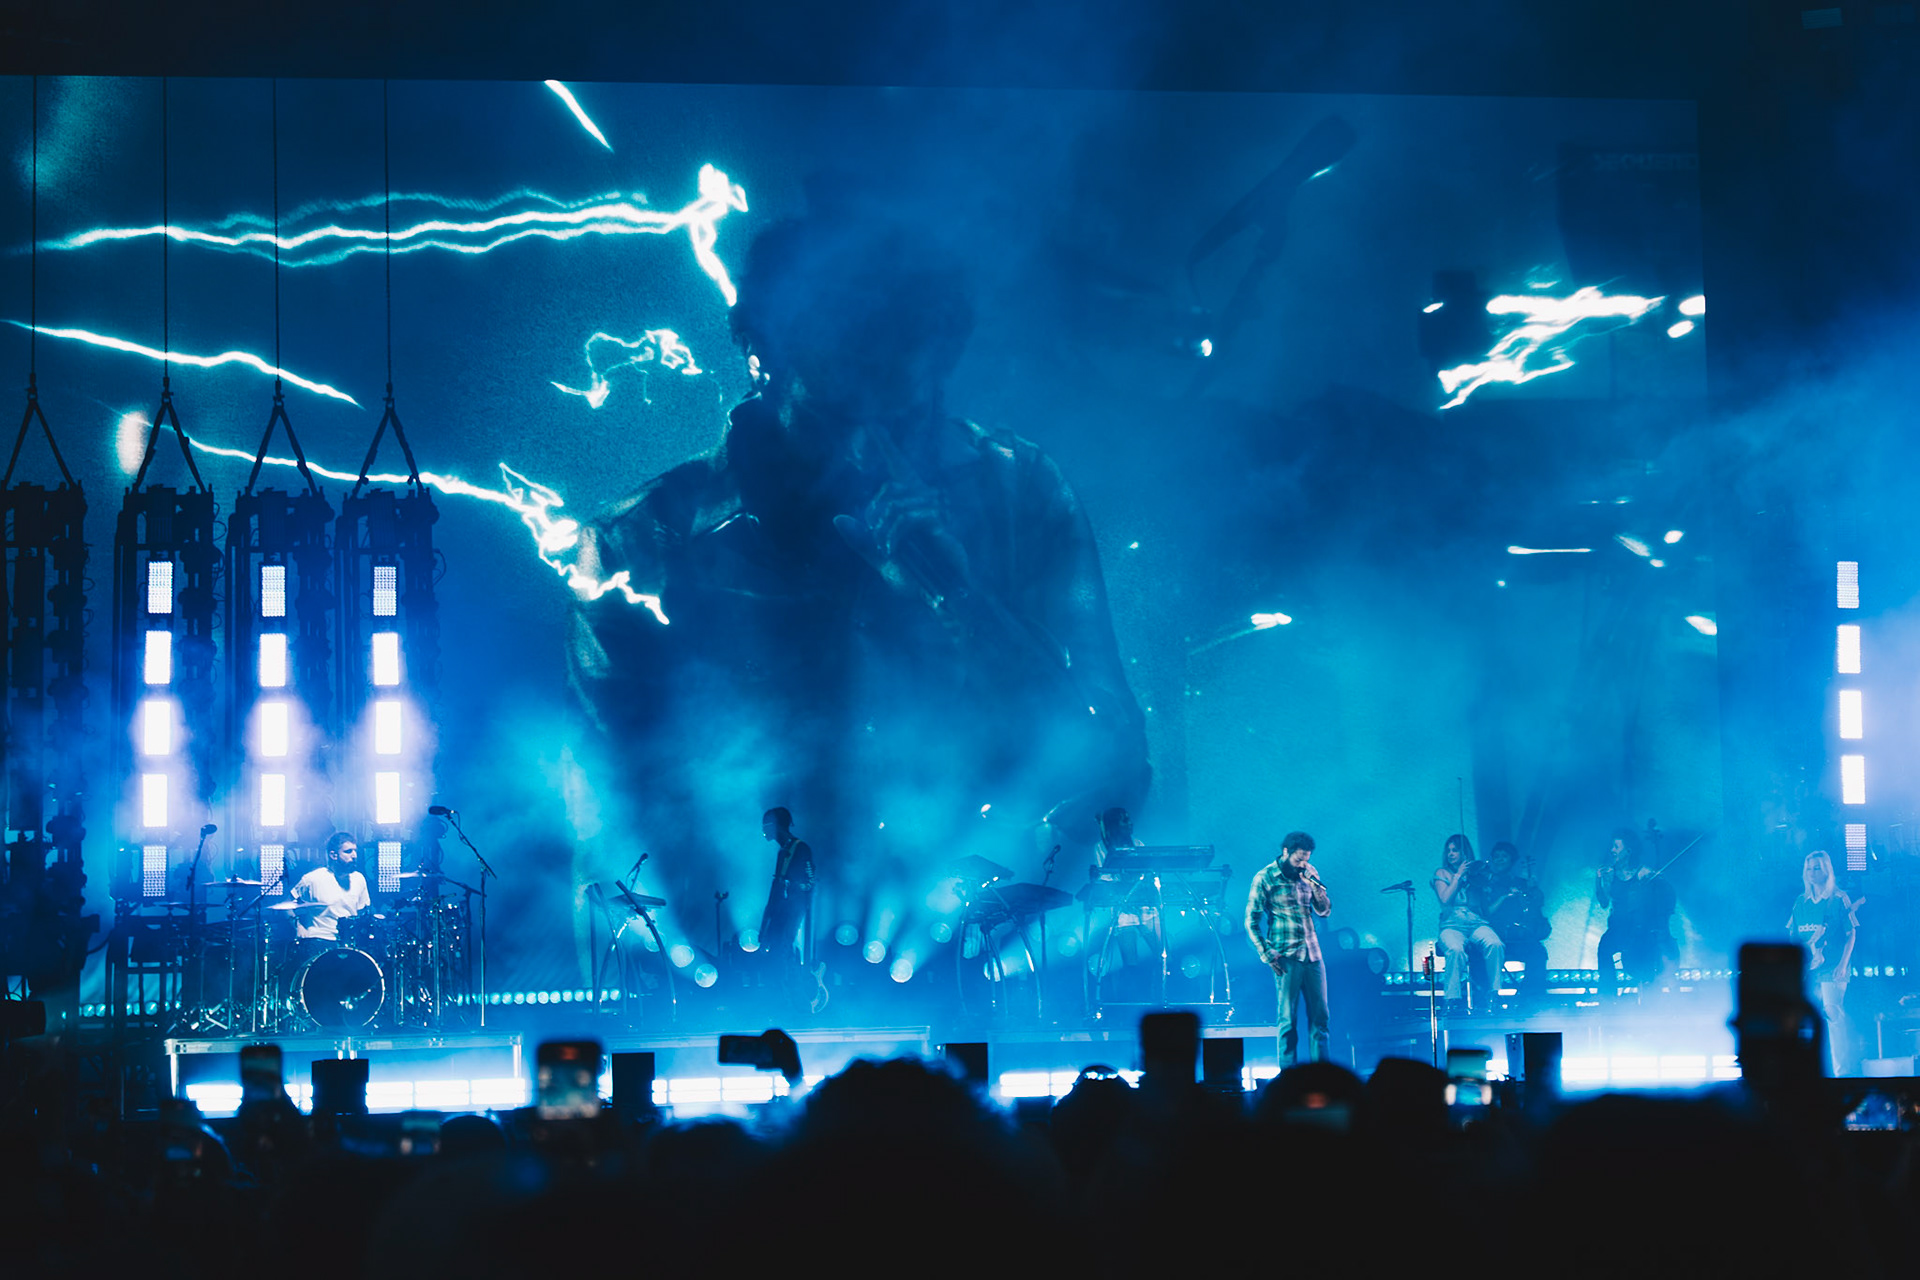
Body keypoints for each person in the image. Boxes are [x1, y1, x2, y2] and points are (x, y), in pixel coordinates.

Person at [566, 208, 1149, 945]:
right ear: (763, 354)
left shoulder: (1020, 491)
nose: (874, 423)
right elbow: (627, 826)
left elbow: (1113, 764)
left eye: (906, 377)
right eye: (840, 378)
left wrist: (959, 600)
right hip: (746, 960)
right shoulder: (634, 548)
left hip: (983, 950)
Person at [1245, 832, 1332, 1064]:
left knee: (1321, 1018)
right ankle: (1288, 1075)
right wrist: (1266, 953)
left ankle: (1322, 1074)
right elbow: (1251, 921)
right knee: (1287, 1020)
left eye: (1306, 859)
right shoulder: (1265, 877)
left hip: (1313, 955)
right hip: (1286, 957)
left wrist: (1316, 887)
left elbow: (1324, 911)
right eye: (1298, 859)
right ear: (1286, 852)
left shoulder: (1309, 873)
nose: (1302, 864)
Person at [1788, 849, 1856, 1074]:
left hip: (1833, 968)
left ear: (1827, 870)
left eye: (1817, 867)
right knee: (1805, 1019)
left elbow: (1851, 934)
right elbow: (1793, 935)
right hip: (1809, 970)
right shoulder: (1800, 902)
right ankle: (1808, 1072)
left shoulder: (1838, 898)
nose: (1812, 872)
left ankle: (1841, 1073)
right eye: (1809, 868)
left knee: (1833, 1015)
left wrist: (1843, 964)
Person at [760, 807, 826, 1012]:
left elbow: (810, 882)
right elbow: (776, 887)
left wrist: (792, 885)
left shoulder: (800, 848)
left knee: (784, 955)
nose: (763, 830)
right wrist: (765, 922)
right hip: (779, 913)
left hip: (792, 912)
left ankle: (798, 1003)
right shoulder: (783, 852)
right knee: (774, 958)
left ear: (777, 826)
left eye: (766, 825)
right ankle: (782, 1002)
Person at [1431, 833, 1503, 1013]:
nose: (1451, 854)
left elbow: (1485, 910)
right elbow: (1445, 899)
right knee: (1455, 950)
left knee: (1495, 944)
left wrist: (1482, 884)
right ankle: (1452, 999)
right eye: (1448, 850)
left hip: (1476, 922)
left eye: (1455, 850)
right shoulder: (1442, 873)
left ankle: (1494, 993)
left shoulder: (1475, 875)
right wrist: (1458, 876)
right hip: (1451, 924)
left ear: (1464, 853)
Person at [1595, 829, 1676, 987]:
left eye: (1616, 846)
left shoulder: (1642, 872)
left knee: (1646, 964)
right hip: (1618, 928)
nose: (1612, 850)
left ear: (1628, 851)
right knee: (1604, 948)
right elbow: (1604, 903)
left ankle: (1651, 987)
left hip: (1640, 928)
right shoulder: (1610, 874)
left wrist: (1659, 881)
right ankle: (1608, 993)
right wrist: (1598, 880)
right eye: (1612, 846)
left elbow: (1664, 894)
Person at [1477, 840, 1549, 996]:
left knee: (1537, 952)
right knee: (1478, 953)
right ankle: (1484, 996)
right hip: (1494, 935)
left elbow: (1535, 906)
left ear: (1512, 860)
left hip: (1517, 936)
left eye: (1504, 856)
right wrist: (1504, 896)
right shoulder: (1485, 885)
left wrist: (1532, 889)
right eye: (1496, 856)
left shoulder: (1521, 883)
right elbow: (1485, 912)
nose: (1499, 859)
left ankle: (1531, 998)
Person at [291, 832, 371, 947]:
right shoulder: (312, 879)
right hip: (319, 940)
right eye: (348, 851)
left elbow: (362, 911)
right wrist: (299, 926)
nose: (354, 855)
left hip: (348, 941)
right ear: (333, 855)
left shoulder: (359, 879)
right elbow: (286, 906)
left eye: (355, 851)